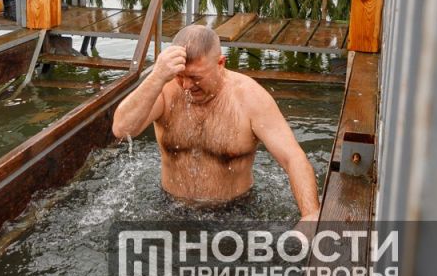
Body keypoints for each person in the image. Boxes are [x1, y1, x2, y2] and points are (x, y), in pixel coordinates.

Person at [111, 25, 320, 221]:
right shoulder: (165, 89)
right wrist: (157, 76)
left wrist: (310, 215)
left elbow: (293, 158)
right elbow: (122, 129)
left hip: (235, 212)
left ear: (220, 64)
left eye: (195, 77)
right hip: (170, 206)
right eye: (179, 76)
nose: (186, 85)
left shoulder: (249, 98)